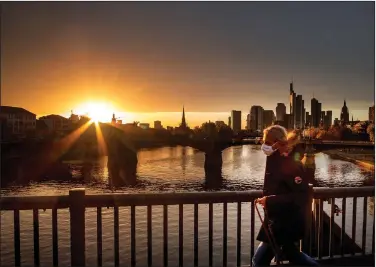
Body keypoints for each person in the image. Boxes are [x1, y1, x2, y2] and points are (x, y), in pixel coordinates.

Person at [252, 125, 318, 266]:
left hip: (284, 222)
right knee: (292, 255)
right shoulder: (276, 158)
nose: (264, 146)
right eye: (264, 142)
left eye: (268, 143)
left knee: (259, 260)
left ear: (278, 142)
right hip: (277, 220)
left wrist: (269, 201)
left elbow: (300, 196)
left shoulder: (290, 163)